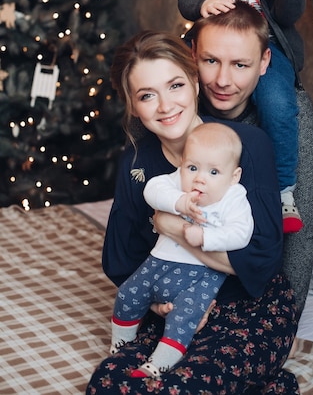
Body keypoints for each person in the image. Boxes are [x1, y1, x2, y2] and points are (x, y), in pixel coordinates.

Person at [87, 30, 300, 393]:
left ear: (195, 85)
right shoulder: (137, 163)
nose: (165, 106)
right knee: (109, 384)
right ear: (134, 105)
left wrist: (171, 228)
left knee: (186, 387)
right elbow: (120, 258)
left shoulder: (246, 146)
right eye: (146, 95)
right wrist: (160, 304)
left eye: (174, 86)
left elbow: (262, 261)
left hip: (249, 308)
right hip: (174, 310)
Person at [178, 0, 313, 233]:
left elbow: (287, 17)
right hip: (211, 47)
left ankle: (285, 192)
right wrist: (202, 4)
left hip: (262, 50)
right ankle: (183, 177)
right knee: (175, 85)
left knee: (278, 103)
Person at [190, 0, 313, 318]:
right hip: (183, 289)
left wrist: (285, 315)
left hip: (259, 298)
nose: (222, 80)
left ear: (264, 63)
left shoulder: (290, 115)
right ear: (193, 53)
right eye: (210, 60)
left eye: (240, 65)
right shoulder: (175, 106)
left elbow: (300, 231)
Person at [110, 121, 254, 379]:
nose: (199, 177)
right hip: (157, 262)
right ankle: (121, 343)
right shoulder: (179, 181)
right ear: (183, 164)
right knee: (128, 295)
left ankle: (160, 362)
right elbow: (152, 189)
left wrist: (206, 236)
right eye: (193, 167)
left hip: (200, 274)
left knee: (185, 318)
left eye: (214, 172)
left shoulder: (234, 197)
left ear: (234, 176)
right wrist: (179, 202)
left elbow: (241, 233)